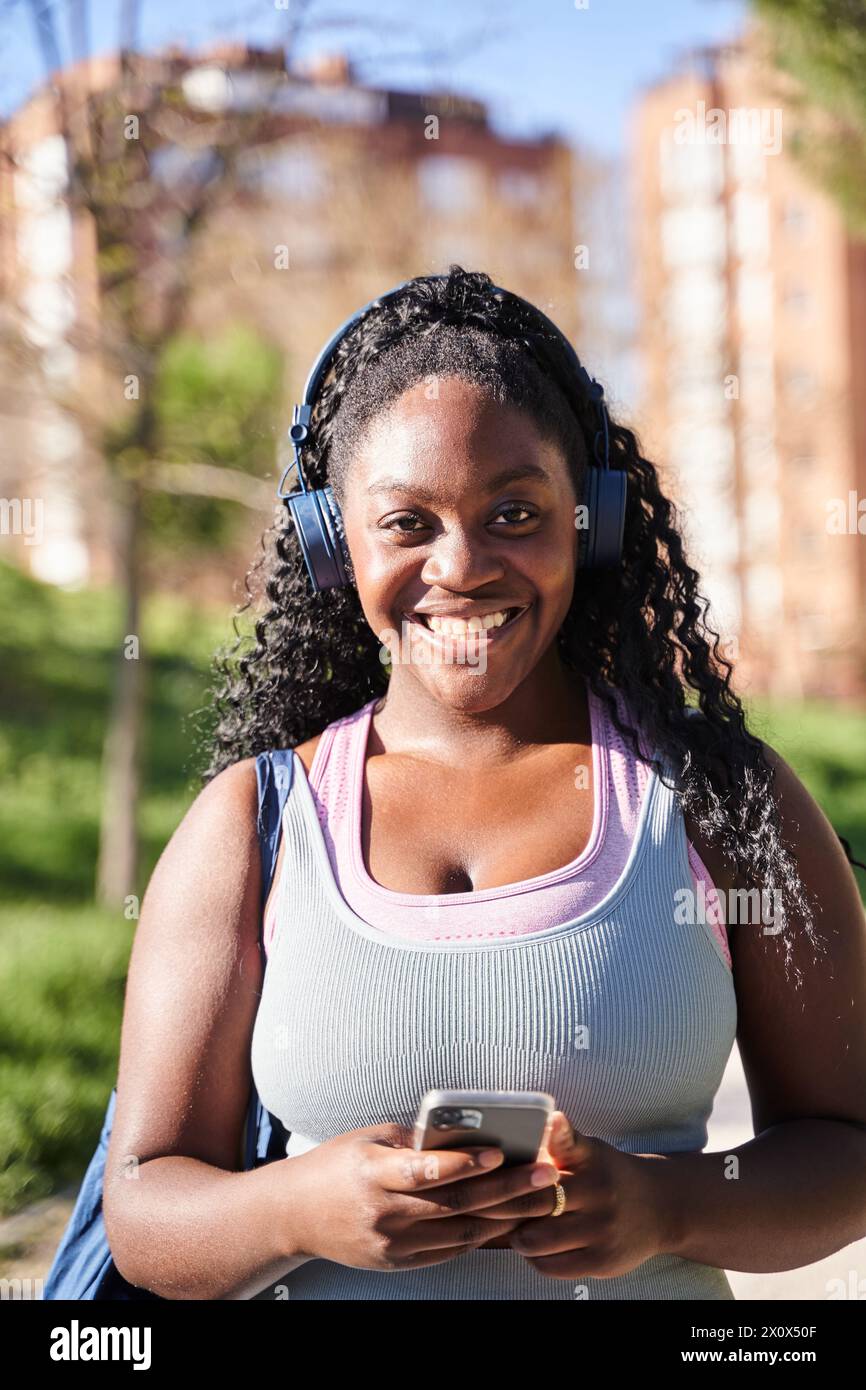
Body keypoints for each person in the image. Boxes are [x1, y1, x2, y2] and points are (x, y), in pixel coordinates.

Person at [102, 266, 866, 1301]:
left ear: (588, 521)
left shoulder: (718, 799)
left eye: (513, 511)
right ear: (336, 544)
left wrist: (661, 1206)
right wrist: (293, 1206)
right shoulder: (255, 822)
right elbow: (143, 1207)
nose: (460, 565)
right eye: (405, 523)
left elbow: (844, 1148)